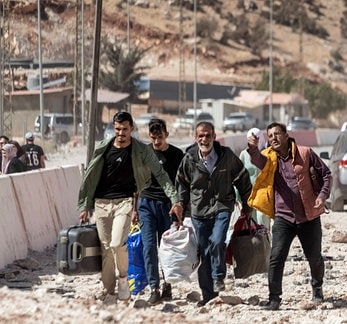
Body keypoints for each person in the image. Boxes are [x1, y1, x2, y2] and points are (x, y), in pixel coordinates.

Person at [77, 111, 183, 305]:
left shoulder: (143, 151)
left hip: (131, 202)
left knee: (121, 244)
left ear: (131, 129)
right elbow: (90, 177)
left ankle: (132, 279)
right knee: (110, 248)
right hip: (108, 203)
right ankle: (113, 290)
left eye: (125, 129)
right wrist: (85, 204)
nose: (121, 133)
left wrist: (176, 200)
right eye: (117, 129)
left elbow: (162, 175)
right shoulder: (103, 147)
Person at [247, 122, 331, 311]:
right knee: (276, 257)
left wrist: (322, 196)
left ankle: (317, 287)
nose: (273, 138)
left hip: (308, 216)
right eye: (270, 136)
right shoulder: (269, 157)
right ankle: (274, 298)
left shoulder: (305, 153)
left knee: (314, 258)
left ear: (286, 136)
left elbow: (326, 174)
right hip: (283, 217)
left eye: (277, 134)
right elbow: (258, 161)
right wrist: (253, 148)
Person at [175, 121, 252, 306]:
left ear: (214, 137)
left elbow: (242, 178)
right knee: (204, 253)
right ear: (195, 138)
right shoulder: (189, 159)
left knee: (217, 240)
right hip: (199, 211)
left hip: (222, 206)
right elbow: (182, 184)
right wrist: (179, 205)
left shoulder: (226, 156)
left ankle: (218, 276)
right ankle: (208, 295)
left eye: (208, 135)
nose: (205, 139)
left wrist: (247, 205)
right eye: (201, 135)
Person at [135, 118, 184, 305]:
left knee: (166, 248)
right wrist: (134, 208)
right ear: (150, 136)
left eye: (160, 137)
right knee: (149, 247)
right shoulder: (144, 154)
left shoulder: (176, 155)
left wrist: (180, 207)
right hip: (147, 203)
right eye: (154, 138)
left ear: (167, 135)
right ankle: (154, 287)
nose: (157, 142)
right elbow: (136, 182)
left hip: (167, 205)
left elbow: (181, 183)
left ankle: (167, 284)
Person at [238, 128, 270, 230]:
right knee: (252, 224)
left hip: (263, 194)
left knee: (262, 221)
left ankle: (266, 244)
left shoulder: (268, 153)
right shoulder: (244, 154)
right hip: (249, 195)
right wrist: (237, 196)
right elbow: (239, 175)